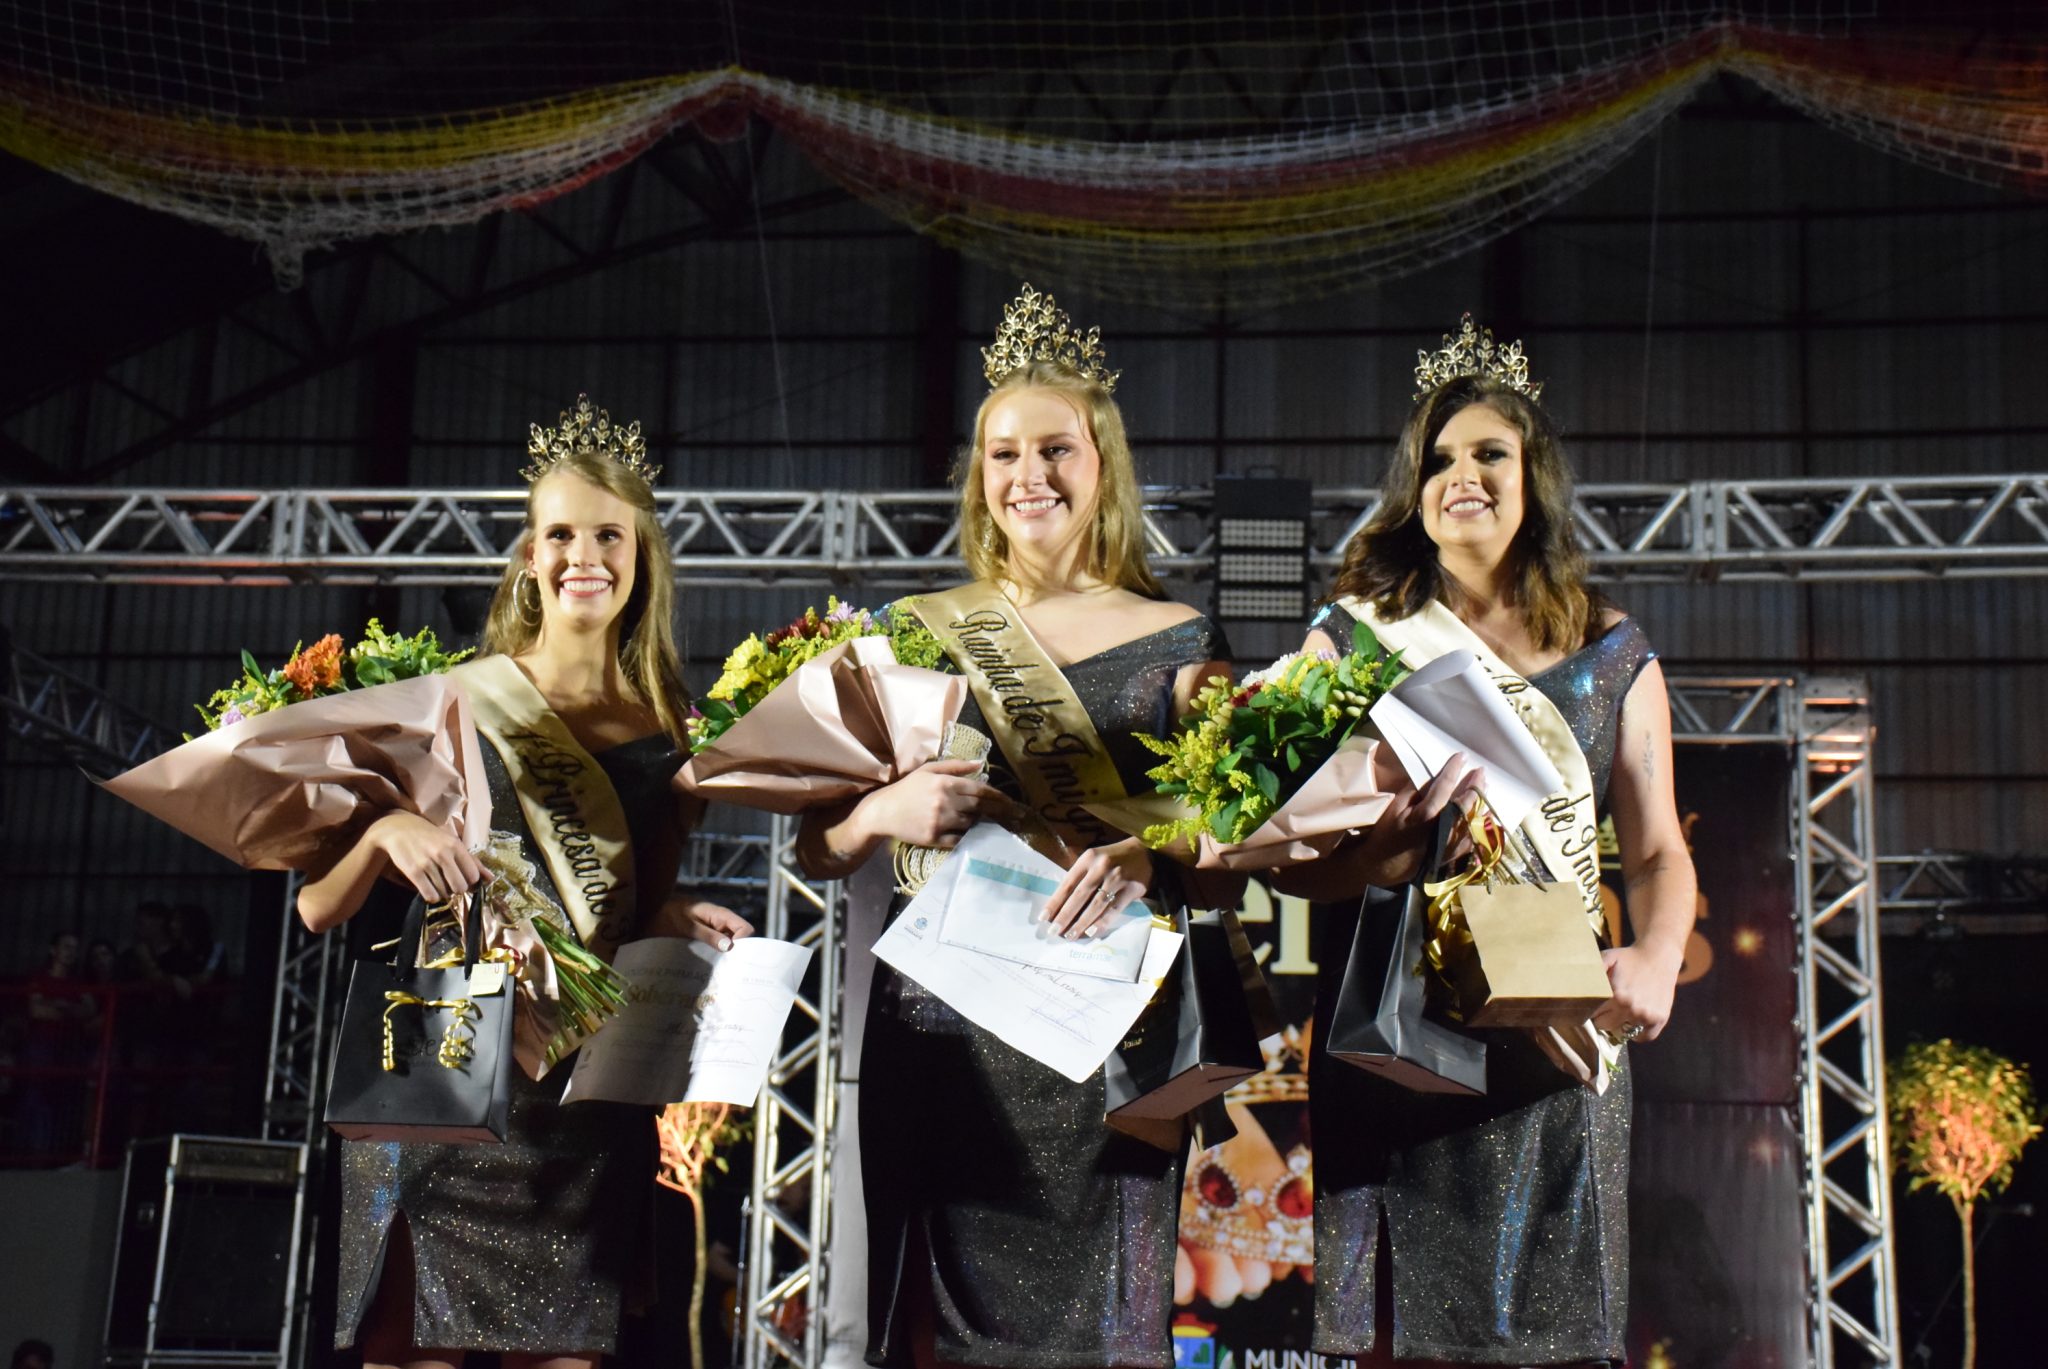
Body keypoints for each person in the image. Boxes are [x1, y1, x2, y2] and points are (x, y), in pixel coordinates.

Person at [797, 285, 1235, 1369]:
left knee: (1105, 1337)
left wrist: (1152, 851)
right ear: (979, 475)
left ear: (1103, 465)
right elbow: (817, 845)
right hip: (939, 1041)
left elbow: (1230, 858)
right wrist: (881, 811)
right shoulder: (914, 632)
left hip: (1104, 1042)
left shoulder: (1184, 638)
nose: (1028, 475)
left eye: (1055, 449)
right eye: (1004, 454)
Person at [297, 396, 752, 1369]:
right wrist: (385, 829)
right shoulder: (457, 697)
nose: (585, 556)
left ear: (642, 556)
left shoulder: (672, 730)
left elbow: (636, 911)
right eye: (561, 535)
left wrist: (678, 915)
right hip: (441, 1055)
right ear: (529, 556)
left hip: (579, 1089)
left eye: (608, 535)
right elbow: (315, 904)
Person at [1275, 317, 1697, 1367]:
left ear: (1532, 478)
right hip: (1394, 1040)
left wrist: (1655, 955)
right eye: (1438, 460)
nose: (1460, 475)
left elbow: (1655, 852)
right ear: (1412, 493)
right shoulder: (1352, 638)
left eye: (1488, 454)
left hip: (1551, 1048)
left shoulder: (1611, 650)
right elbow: (1290, 856)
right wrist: (1376, 856)